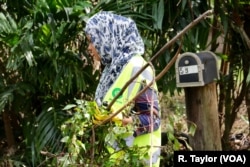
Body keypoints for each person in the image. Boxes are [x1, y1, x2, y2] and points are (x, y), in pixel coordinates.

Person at [85, 11, 161, 166]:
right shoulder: (112, 70)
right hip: (116, 159)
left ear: (107, 37)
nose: (89, 47)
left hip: (139, 160)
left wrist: (128, 121)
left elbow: (154, 119)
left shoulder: (138, 67)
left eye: (92, 41)